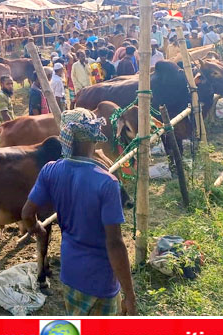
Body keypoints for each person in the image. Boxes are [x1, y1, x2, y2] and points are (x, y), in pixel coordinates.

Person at [21, 109, 137, 316]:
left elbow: (27, 214)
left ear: (66, 137)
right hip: (101, 280)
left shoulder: (50, 170)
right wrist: (129, 293)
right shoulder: (107, 182)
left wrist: (37, 230)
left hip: (70, 272)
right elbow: (115, 243)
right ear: (94, 137)